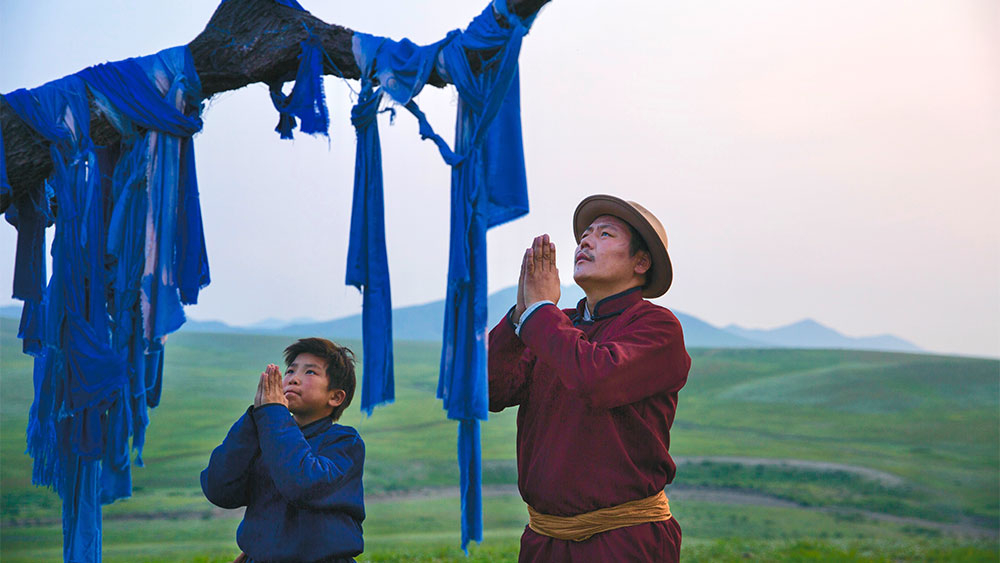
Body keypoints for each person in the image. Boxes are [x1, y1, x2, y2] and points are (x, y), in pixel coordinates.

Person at [488, 194, 691, 562]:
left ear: (641, 262)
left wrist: (539, 312)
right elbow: (488, 390)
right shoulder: (553, 324)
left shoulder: (657, 328)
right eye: (585, 234)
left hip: (623, 542)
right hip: (543, 541)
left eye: (606, 234)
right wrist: (520, 315)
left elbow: (595, 379)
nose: (585, 241)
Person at [201, 337, 365, 563]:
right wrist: (255, 418)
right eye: (290, 371)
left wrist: (273, 415)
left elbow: (302, 483)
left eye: (310, 372)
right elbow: (219, 489)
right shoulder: (268, 433)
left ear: (335, 396)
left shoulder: (345, 443)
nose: (293, 379)